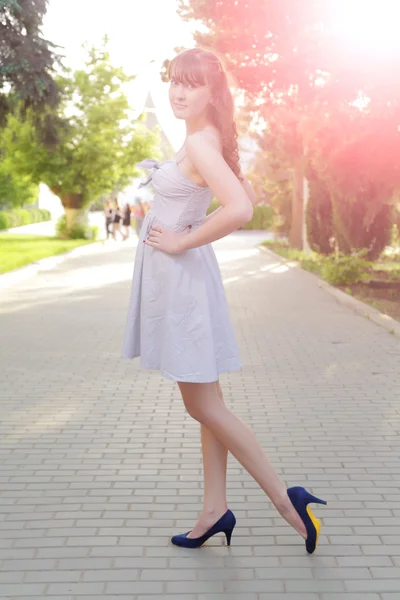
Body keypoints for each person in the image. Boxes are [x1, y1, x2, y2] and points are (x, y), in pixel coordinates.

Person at [122, 48, 326, 554]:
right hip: (184, 282)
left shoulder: (202, 143)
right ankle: (215, 509)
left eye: (191, 84)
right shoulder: (199, 139)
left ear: (213, 93)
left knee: (203, 404)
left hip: (184, 283)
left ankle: (285, 498)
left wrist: (177, 241)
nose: (178, 91)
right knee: (207, 405)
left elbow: (239, 208)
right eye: (174, 81)